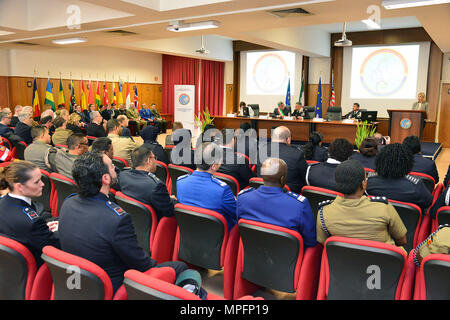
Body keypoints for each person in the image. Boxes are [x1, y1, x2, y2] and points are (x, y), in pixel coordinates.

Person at [58, 152, 189, 294]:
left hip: (80, 282)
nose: (115, 167)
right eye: (111, 165)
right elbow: (142, 264)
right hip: (114, 286)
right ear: (106, 178)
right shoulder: (116, 219)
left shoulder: (68, 203)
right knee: (181, 268)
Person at [316, 160, 407, 248]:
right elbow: (402, 241)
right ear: (363, 184)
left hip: (344, 262)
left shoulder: (323, 213)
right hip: (381, 262)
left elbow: (325, 244)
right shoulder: (383, 207)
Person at [237, 158, 317, 248]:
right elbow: (310, 241)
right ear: (282, 179)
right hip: (288, 257)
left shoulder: (243, 198)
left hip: (252, 252)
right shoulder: (299, 205)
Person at [0, 161, 60, 267]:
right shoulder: (31, 222)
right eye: (36, 182)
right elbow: (55, 245)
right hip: (38, 264)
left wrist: (42, 230)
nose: (43, 184)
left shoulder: (4, 202)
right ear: (20, 187)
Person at [177, 142, 237, 231]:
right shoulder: (222, 190)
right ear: (213, 166)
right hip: (219, 237)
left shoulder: (180, 182)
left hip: (189, 233)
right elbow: (236, 213)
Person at [366, 143, 433, 211]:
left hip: (377, 219)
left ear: (380, 160)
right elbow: (428, 202)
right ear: (407, 163)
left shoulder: (369, 181)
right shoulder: (415, 185)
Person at [119, 145, 175, 220]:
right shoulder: (156, 186)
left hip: (132, 221)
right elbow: (169, 211)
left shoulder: (122, 175)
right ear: (148, 160)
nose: (155, 161)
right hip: (155, 225)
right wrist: (173, 200)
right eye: (154, 158)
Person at [257, 126, 308, 194]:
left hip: (263, 191)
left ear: (272, 138)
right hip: (289, 194)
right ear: (288, 139)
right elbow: (305, 177)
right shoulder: (297, 154)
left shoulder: (260, 150)